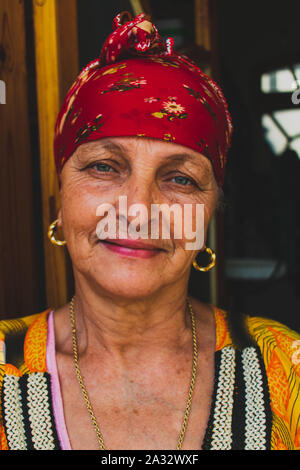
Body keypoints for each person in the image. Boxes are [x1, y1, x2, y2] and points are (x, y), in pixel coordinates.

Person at [0, 12, 299, 451]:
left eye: (180, 179)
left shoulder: (285, 365)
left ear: (210, 214)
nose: (138, 209)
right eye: (104, 167)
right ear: (59, 204)